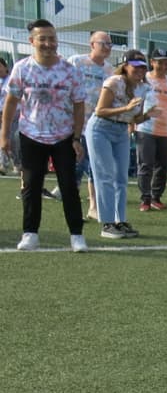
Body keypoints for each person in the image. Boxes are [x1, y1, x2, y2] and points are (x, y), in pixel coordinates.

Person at [1, 19, 87, 252]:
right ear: (32, 41)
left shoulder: (70, 70)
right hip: (31, 134)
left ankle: (77, 235)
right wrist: (4, 135)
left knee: (68, 186)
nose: (49, 43)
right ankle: (30, 233)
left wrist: (76, 137)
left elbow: (79, 105)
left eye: (52, 39)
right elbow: (11, 102)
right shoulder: (22, 68)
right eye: (43, 39)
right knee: (31, 185)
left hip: (63, 136)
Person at [85, 48, 155, 241]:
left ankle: (120, 220)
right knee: (105, 176)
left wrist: (147, 115)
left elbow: (134, 118)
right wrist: (126, 107)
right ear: (125, 66)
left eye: (143, 67)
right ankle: (107, 223)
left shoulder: (143, 88)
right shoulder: (114, 82)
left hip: (122, 130)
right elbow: (100, 110)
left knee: (121, 178)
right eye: (135, 66)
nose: (140, 70)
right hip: (101, 129)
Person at [66, 30, 113, 218]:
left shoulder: (110, 70)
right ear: (92, 44)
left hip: (97, 125)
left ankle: (93, 206)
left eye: (109, 44)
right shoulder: (76, 62)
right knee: (75, 166)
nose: (107, 47)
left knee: (96, 166)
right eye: (103, 43)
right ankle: (73, 205)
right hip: (74, 124)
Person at [134, 48, 167, 212]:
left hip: (166, 131)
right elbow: (136, 103)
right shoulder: (144, 80)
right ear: (152, 62)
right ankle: (145, 199)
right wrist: (131, 124)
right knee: (146, 165)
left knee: (162, 166)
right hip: (145, 129)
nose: (163, 66)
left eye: (166, 63)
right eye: (160, 63)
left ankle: (156, 197)